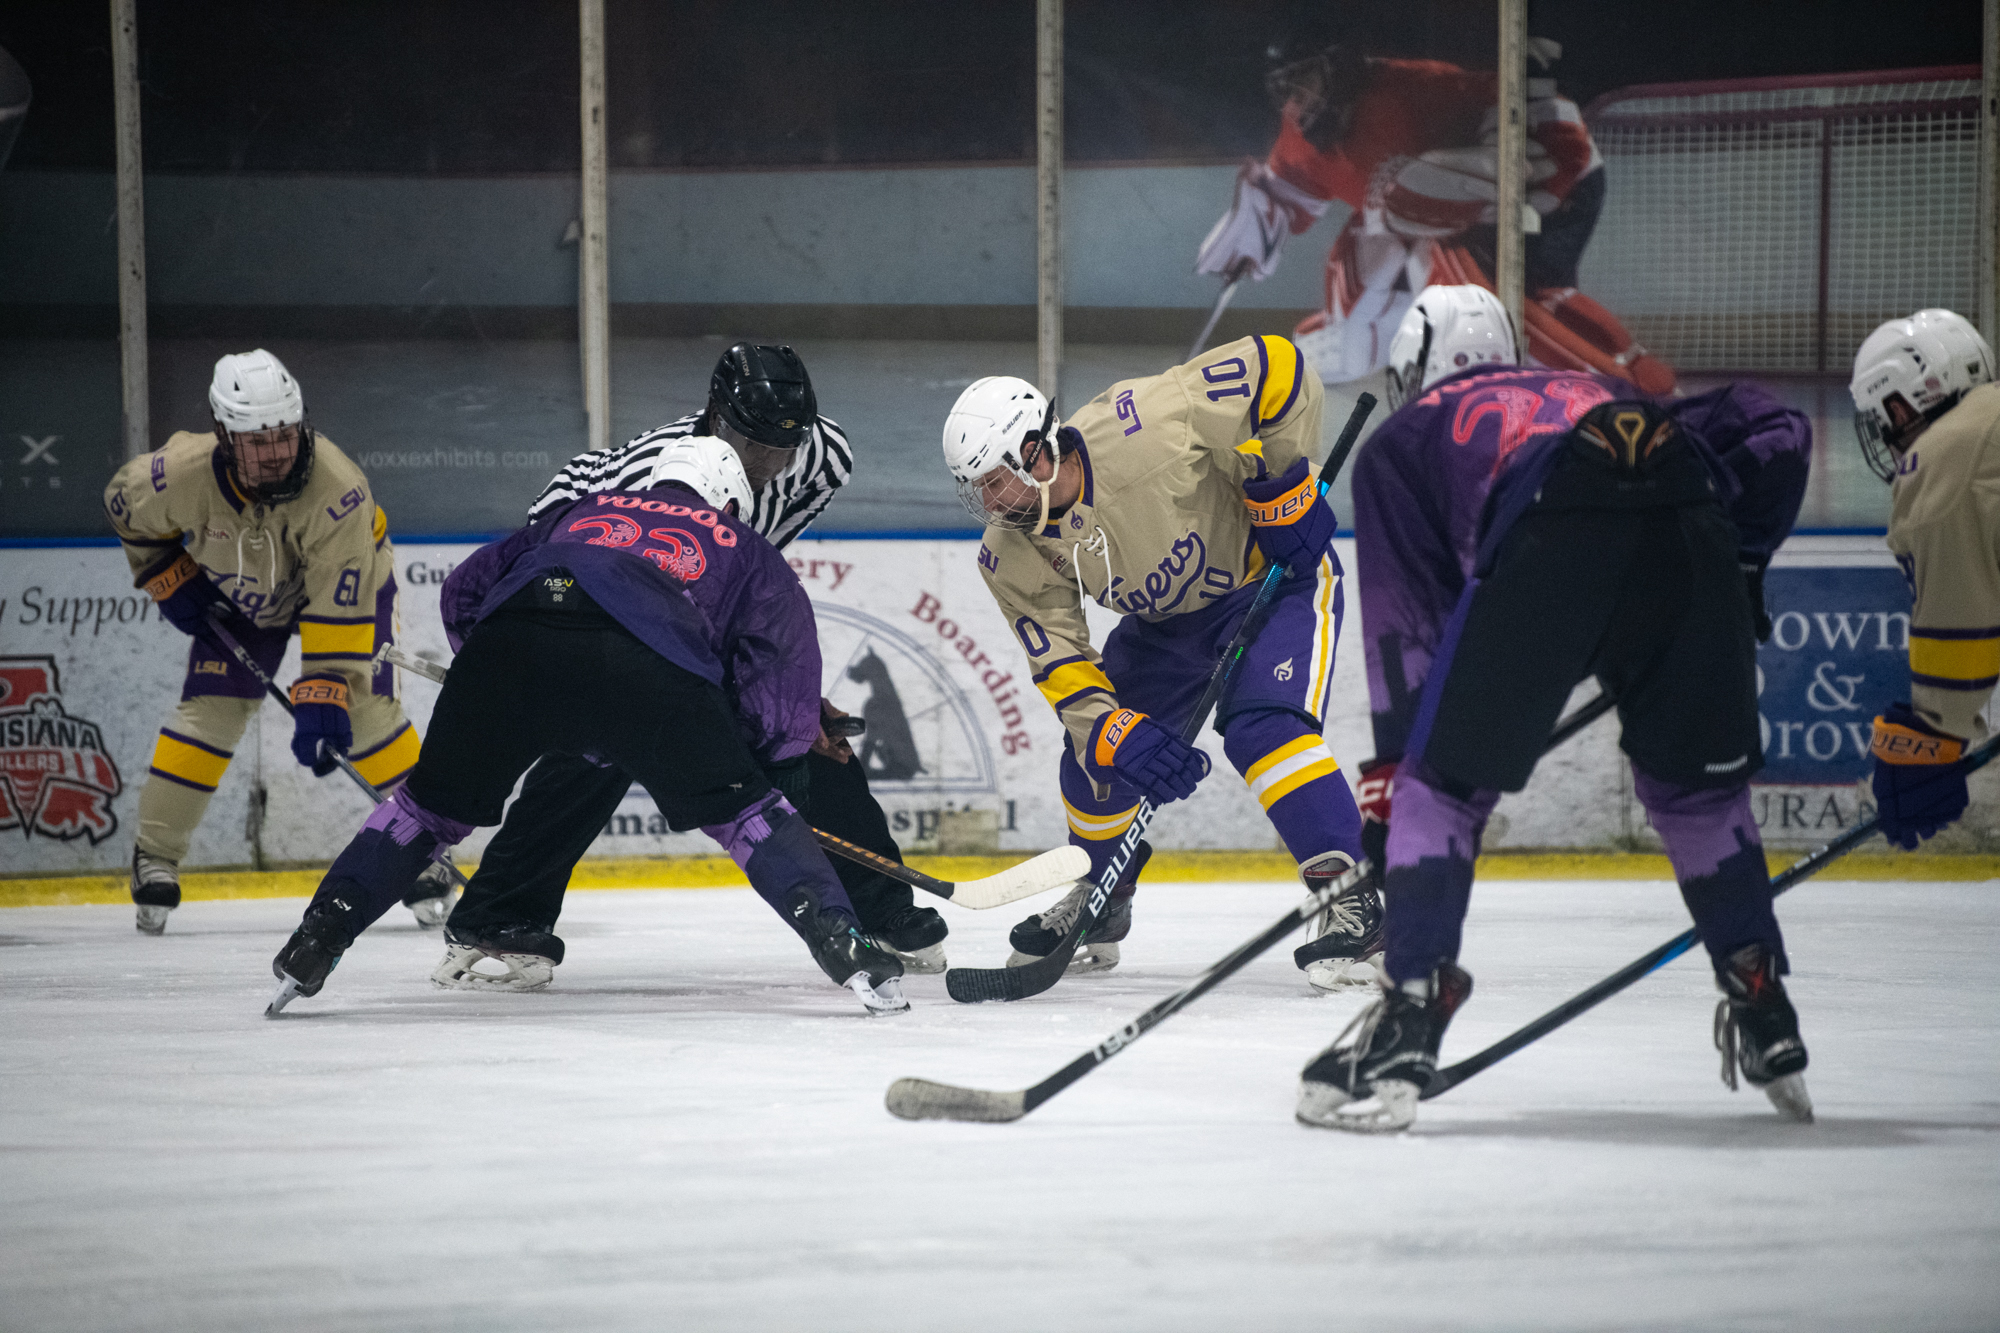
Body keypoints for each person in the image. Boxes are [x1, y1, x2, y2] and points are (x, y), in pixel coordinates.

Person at [1296, 293, 1815, 1133]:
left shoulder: (1405, 438)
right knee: (1696, 797)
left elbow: (1405, 636)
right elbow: (1776, 427)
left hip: (1548, 522)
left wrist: (1399, 783)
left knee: (1445, 791)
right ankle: (1760, 992)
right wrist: (1739, 562)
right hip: (1688, 522)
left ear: (1412, 371)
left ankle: (1413, 1002)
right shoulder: (1597, 390)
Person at [268, 436, 908, 1017]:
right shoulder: (742, 545)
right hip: (648, 666)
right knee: (748, 817)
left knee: (423, 812)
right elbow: (779, 667)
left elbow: (465, 590)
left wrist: (505, 683)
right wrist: (762, 757)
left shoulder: (582, 513)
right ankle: (843, 944)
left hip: (509, 643)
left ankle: (316, 937)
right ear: (730, 503)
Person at [438, 343, 950, 988]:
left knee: (809, 738)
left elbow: (748, 579)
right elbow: (529, 575)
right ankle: (497, 918)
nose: (765, 466)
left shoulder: (822, 457)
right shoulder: (635, 478)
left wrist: (782, 697)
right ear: (714, 418)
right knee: (593, 748)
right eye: (751, 447)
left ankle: (880, 910)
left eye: (780, 450)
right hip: (595, 605)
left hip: (695, 602)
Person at [941, 337, 1366, 976]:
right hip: (1166, 626)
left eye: (997, 480)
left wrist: (1285, 486)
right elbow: (1061, 661)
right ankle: (1102, 891)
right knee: (1096, 760)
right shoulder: (1008, 552)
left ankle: (1353, 903)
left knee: (1264, 731)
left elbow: (1277, 364)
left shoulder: (1143, 421)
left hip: (1269, 577)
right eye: (980, 489)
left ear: (1034, 452)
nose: (992, 503)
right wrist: (1113, 730)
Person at [104, 350, 449, 935]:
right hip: (238, 595)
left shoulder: (340, 489)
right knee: (208, 716)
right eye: (255, 441)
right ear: (223, 435)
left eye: (285, 435)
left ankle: (421, 851)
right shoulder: (176, 475)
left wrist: (328, 685)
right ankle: (155, 858)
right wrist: (163, 569)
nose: (275, 453)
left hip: (350, 584)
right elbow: (123, 505)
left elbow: (337, 598)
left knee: (366, 713)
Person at [1194, 39, 1671, 395]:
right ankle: (1353, 342)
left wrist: (1514, 143)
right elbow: (1297, 188)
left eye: (1307, 80)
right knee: (1355, 329)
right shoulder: (1301, 136)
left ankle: (1621, 390)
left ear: (1338, 68)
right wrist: (1264, 215)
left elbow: (1521, 106)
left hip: (1549, 185)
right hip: (1433, 218)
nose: (1297, 99)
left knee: (1507, 305)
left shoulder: (1413, 90)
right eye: (1285, 89)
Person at [1850, 309, 2000, 848]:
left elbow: (1959, 613)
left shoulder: (1945, 457)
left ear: (1903, 400)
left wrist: (1934, 733)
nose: (1887, 432)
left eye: (1884, 415)